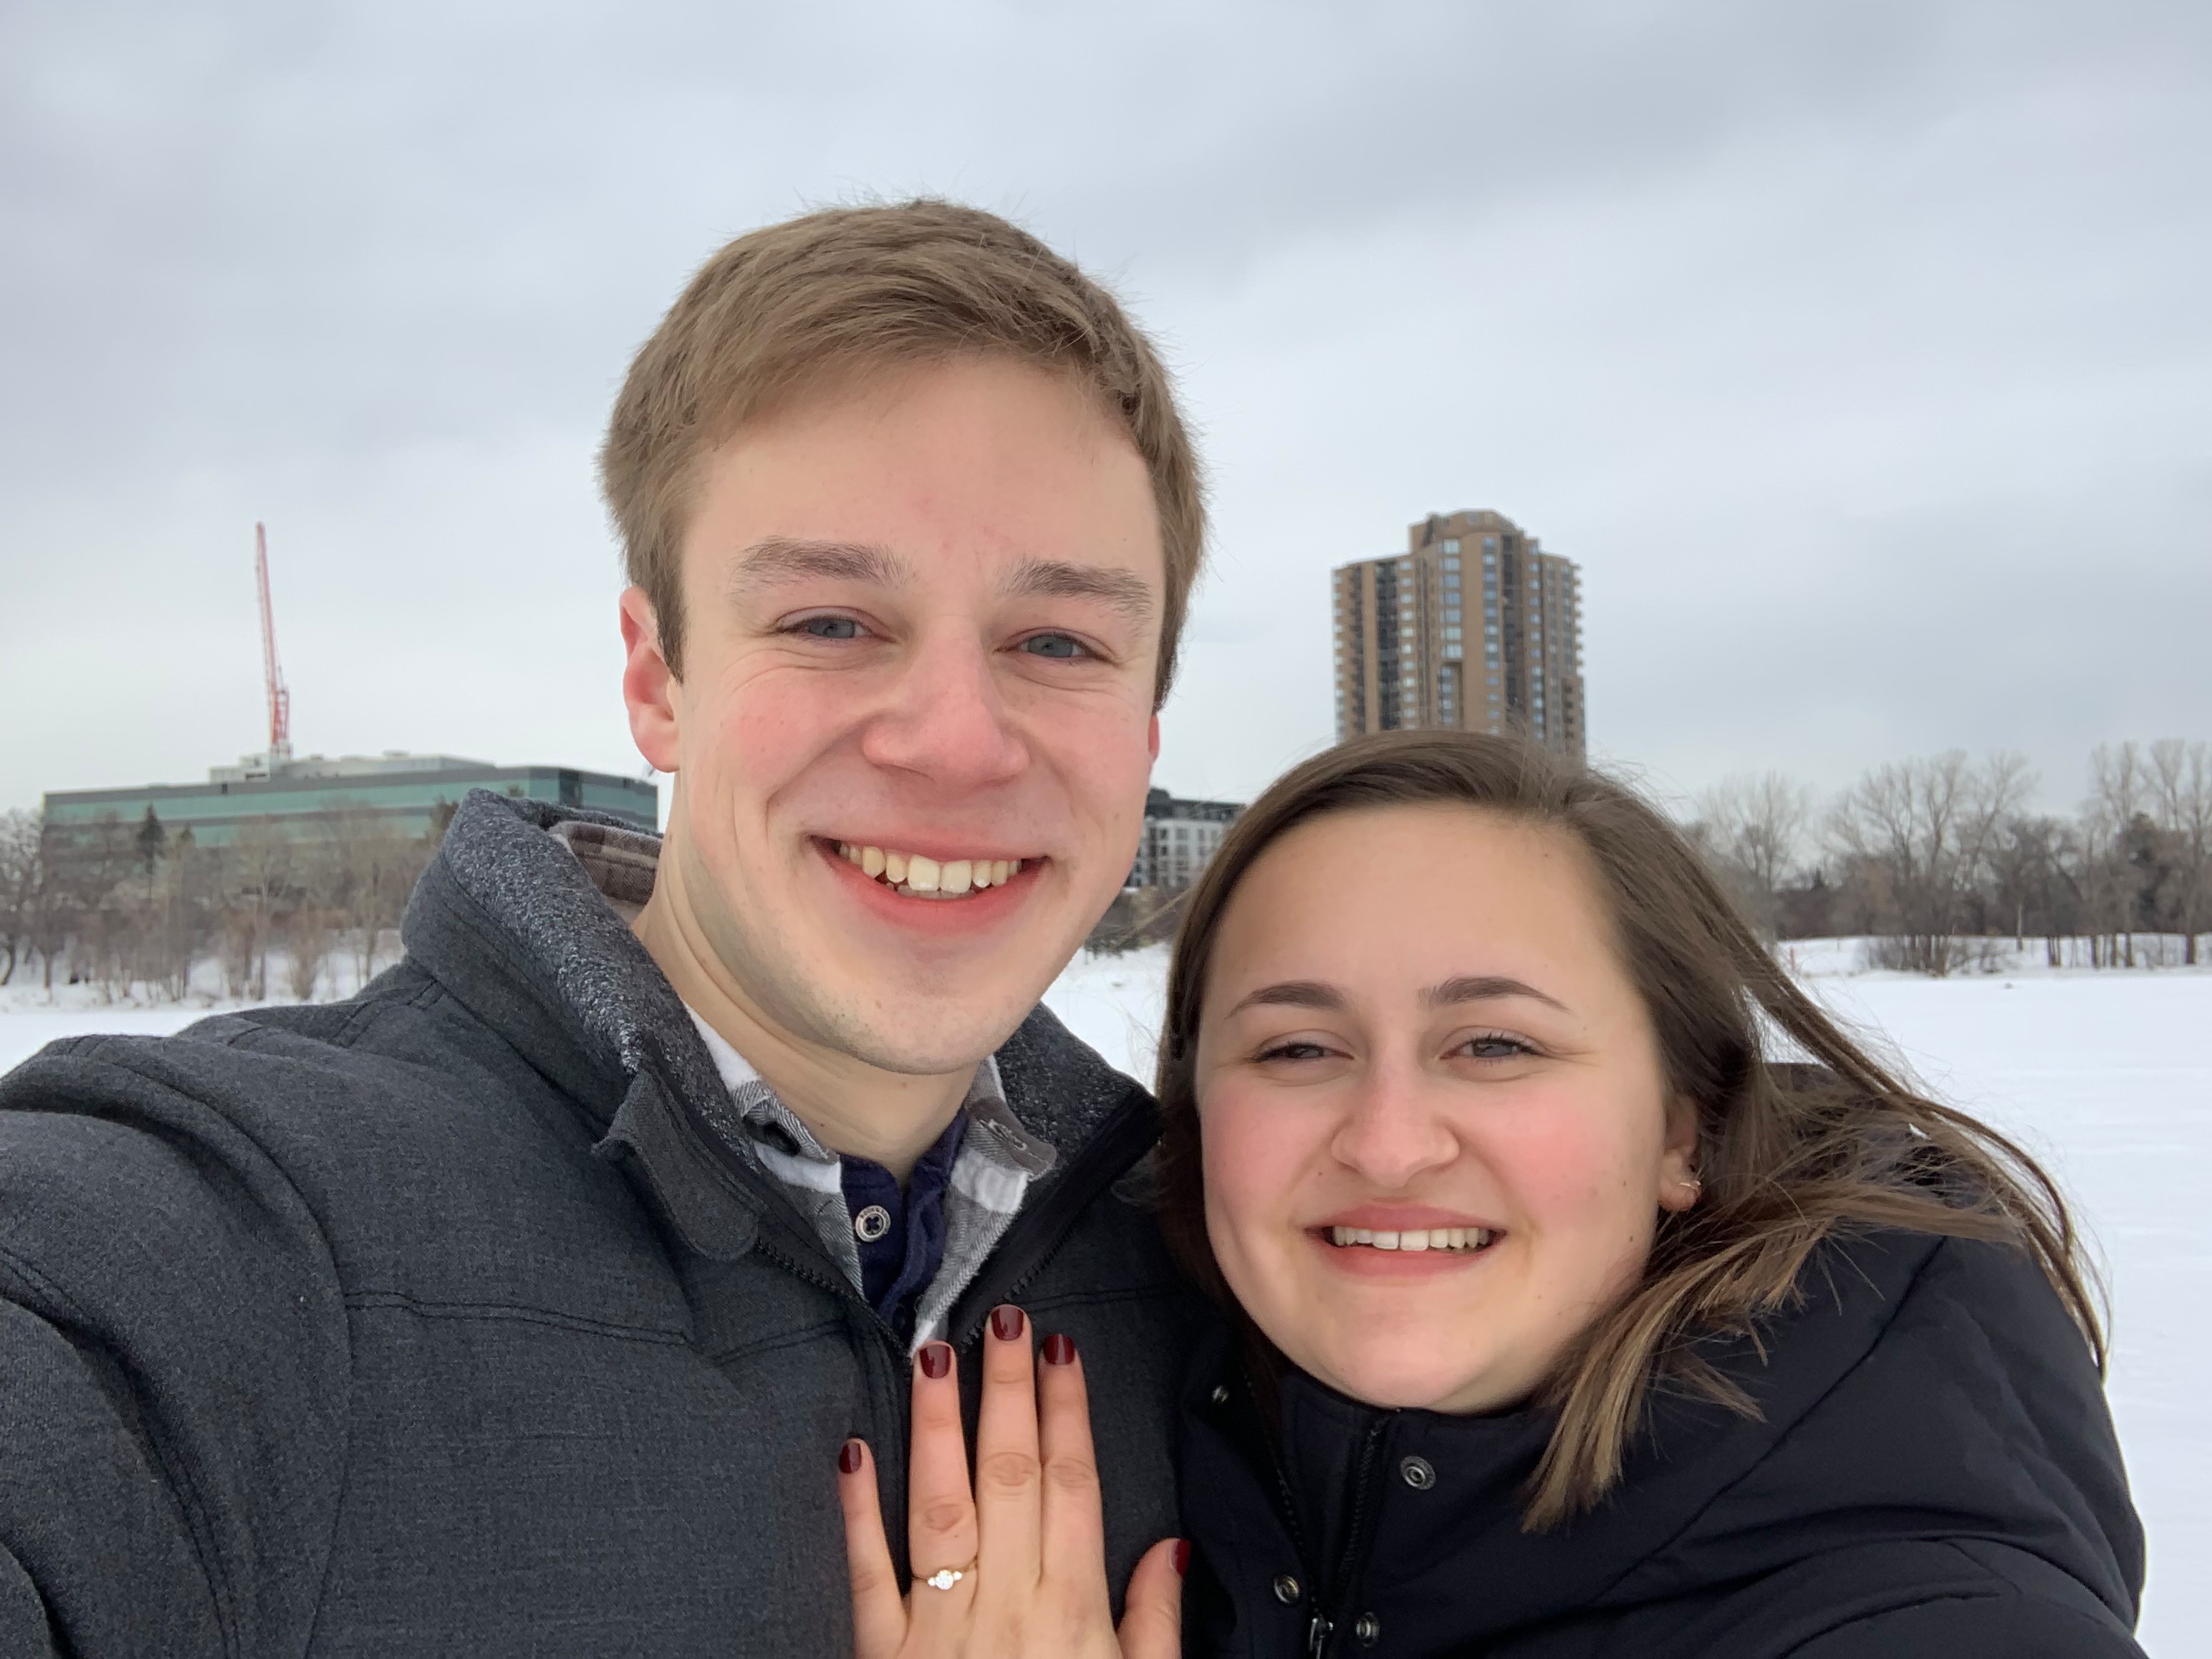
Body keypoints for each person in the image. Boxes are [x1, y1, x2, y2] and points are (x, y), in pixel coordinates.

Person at [0, 200, 1208, 1655]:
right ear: (657, 681)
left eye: (1058, 643)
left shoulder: (1224, 1275)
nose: (955, 742)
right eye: (830, 621)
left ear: (1143, 730)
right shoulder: (239, 1245)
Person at [842, 728, 2145, 1658]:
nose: (1391, 1143)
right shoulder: (1185, 1416)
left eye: (1498, 1045)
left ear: (1682, 1129)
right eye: (1298, 1048)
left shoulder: (1898, 1585)